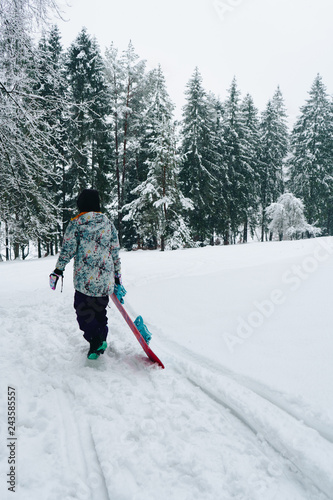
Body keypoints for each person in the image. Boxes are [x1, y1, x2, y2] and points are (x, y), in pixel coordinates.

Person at [50, 189, 121, 360]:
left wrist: (58, 270)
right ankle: (100, 341)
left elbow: (67, 250)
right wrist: (117, 276)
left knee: (83, 313)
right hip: (105, 281)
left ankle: (95, 341)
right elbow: (115, 251)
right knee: (99, 312)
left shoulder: (76, 223)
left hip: (85, 282)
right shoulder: (107, 222)